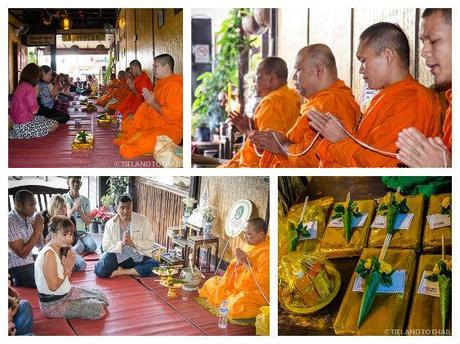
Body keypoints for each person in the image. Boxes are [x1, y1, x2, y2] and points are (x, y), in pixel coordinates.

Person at [308, 22, 442, 167]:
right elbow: (369, 147)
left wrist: (341, 140)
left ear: (388, 55)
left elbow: (380, 166)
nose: (360, 70)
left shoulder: (412, 101)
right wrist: (344, 133)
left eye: (363, 60)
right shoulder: (387, 95)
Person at [251, 45, 361, 167]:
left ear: (318, 70)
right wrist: (271, 142)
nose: (293, 77)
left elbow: (313, 161)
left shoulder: (330, 103)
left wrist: (281, 145)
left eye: (298, 70)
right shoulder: (322, 101)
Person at [396, 8, 452, 167]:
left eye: (433, 41)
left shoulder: (414, 98)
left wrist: (444, 168)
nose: (424, 51)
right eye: (423, 42)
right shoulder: (450, 100)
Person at [221, 57, 301, 168]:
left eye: (258, 75)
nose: (255, 80)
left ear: (271, 79)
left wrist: (247, 130)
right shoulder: (292, 96)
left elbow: (267, 146)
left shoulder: (273, 103)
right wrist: (251, 126)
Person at [34, 216, 108, 319]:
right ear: (54, 233)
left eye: (70, 234)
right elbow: (53, 286)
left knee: (101, 296)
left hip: (66, 293)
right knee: (98, 309)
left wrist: (68, 269)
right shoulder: (49, 254)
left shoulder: (60, 249)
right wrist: (67, 268)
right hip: (54, 304)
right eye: (64, 234)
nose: (69, 238)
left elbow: (66, 280)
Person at [113, 54, 183, 159]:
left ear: (167, 67)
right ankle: (136, 135)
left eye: (156, 66)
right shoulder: (161, 84)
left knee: (132, 145)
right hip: (152, 124)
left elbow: (173, 117)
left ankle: (138, 138)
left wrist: (152, 102)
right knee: (126, 125)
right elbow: (147, 106)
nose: (153, 69)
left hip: (169, 131)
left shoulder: (176, 86)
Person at [199, 217, 269, 320]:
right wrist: (238, 261)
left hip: (254, 292)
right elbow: (238, 266)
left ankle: (263, 309)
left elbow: (262, 281)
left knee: (233, 307)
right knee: (210, 283)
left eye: (248, 234)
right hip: (236, 284)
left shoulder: (267, 252)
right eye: (244, 233)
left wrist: (245, 262)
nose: (245, 237)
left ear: (261, 234)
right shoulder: (252, 243)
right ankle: (229, 298)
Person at [94, 195, 159, 278]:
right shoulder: (110, 224)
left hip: (138, 257)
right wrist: (122, 243)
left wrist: (133, 243)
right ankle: (136, 271)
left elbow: (150, 243)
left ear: (132, 207)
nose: (126, 210)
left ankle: (122, 272)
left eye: (128, 207)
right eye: (122, 207)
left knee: (156, 266)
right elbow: (105, 247)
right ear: (116, 208)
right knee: (100, 270)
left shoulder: (143, 220)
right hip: (118, 257)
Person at [9, 63, 58, 139]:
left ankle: (17, 132)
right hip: (24, 126)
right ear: (34, 75)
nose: (39, 78)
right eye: (38, 76)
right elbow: (35, 111)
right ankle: (19, 134)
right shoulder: (30, 89)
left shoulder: (21, 85)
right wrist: (36, 95)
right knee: (55, 124)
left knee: (44, 119)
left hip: (16, 123)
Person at [8, 189, 44, 288]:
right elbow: (22, 253)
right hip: (16, 266)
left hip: (31, 258)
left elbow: (38, 244)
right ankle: (17, 279)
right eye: (31, 205)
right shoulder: (10, 222)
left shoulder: (29, 217)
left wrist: (39, 229)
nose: (35, 208)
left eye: (35, 204)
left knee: (56, 268)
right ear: (19, 205)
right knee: (45, 282)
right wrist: (37, 231)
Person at [42, 194, 87, 272]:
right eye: (60, 208)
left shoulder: (70, 219)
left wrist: (66, 224)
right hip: (51, 250)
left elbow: (74, 239)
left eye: (64, 207)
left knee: (81, 265)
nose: (63, 210)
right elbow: (46, 240)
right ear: (53, 209)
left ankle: (63, 268)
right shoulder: (45, 218)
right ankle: (62, 268)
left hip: (66, 248)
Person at [62, 177, 98, 255]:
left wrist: (80, 211)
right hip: (69, 233)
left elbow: (88, 222)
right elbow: (64, 219)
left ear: (81, 184)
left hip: (82, 233)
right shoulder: (63, 199)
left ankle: (78, 246)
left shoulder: (85, 200)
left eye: (78, 182)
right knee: (79, 247)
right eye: (73, 181)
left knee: (93, 246)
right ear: (68, 183)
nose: (76, 184)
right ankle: (78, 247)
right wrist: (73, 209)